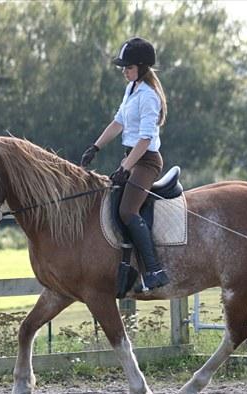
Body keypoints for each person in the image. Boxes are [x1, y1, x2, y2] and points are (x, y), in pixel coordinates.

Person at [79, 37, 169, 291]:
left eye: (128, 67)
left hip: (146, 161)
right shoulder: (131, 90)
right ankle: (126, 267)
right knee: (111, 206)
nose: (124, 71)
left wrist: (126, 167)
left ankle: (153, 270)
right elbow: (118, 123)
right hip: (131, 158)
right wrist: (95, 146)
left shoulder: (149, 96)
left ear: (141, 67)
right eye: (123, 67)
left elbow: (145, 139)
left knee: (128, 211)